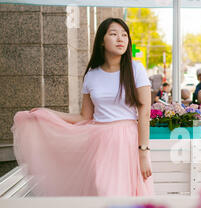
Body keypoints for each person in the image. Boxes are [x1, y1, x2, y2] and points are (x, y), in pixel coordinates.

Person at [11, 18, 154, 196]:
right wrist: (48, 113)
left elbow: (144, 112)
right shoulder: (91, 76)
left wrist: (143, 152)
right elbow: (84, 117)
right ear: (102, 40)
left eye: (125, 35)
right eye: (114, 34)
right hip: (100, 143)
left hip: (128, 141)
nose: (121, 39)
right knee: (103, 191)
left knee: (124, 195)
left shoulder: (136, 69)